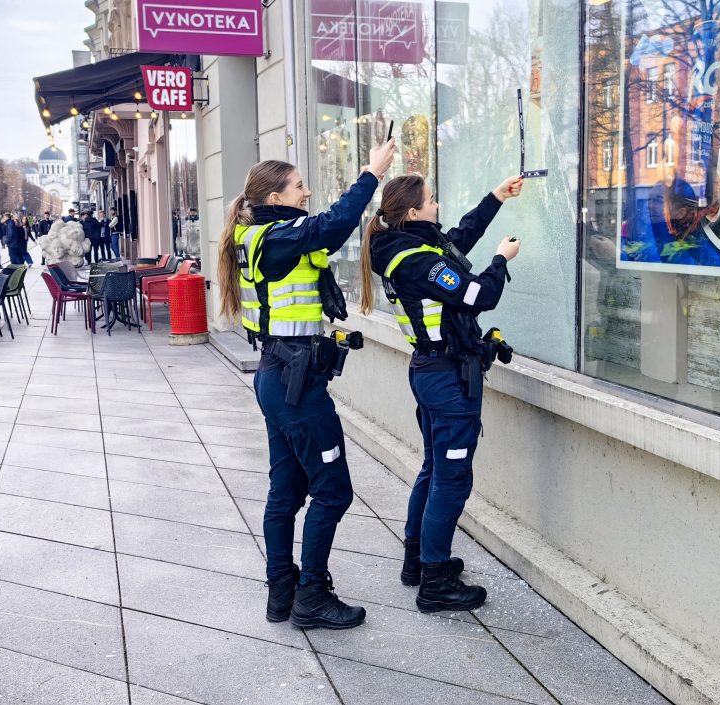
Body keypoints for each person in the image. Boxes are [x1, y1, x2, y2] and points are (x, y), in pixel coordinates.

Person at [216, 140, 396, 630]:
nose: (307, 191)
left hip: (281, 377)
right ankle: (311, 595)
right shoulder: (276, 238)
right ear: (274, 198)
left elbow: (319, 235)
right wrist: (370, 175)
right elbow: (333, 225)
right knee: (333, 491)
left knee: (287, 491)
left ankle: (282, 593)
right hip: (294, 385)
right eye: (299, 185)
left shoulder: (264, 235)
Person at [360, 173, 523, 613]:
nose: (437, 205)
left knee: (434, 469)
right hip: (447, 379)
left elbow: (458, 238)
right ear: (412, 212)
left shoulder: (412, 247)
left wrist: (495, 196)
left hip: (432, 372)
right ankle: (434, 582)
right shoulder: (416, 260)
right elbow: (478, 295)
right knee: (451, 480)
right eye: (431, 201)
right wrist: (501, 259)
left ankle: (418, 561)